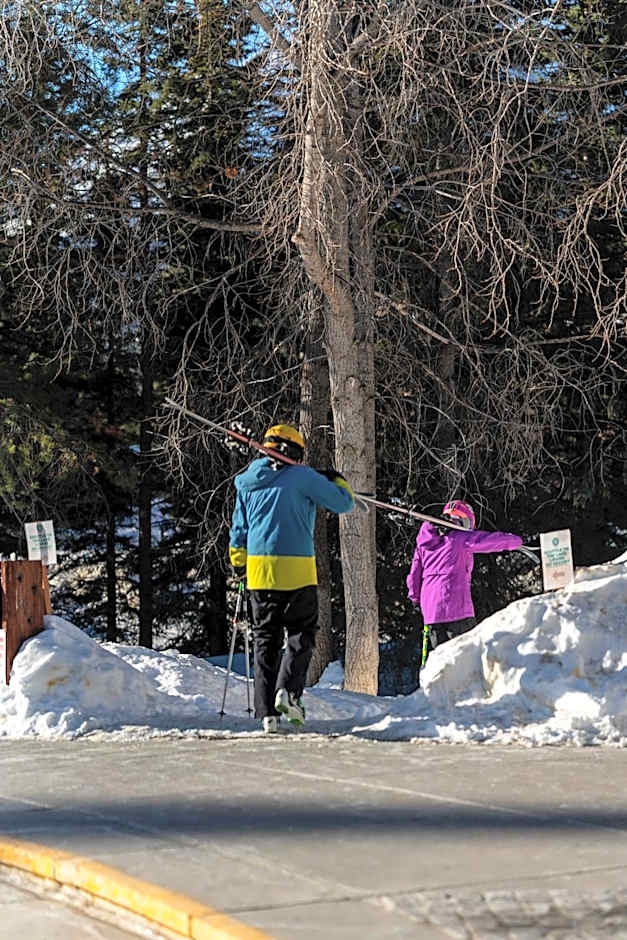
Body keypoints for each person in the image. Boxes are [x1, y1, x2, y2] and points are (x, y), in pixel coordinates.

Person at [228, 424, 354, 733]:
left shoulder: (247, 482)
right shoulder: (302, 477)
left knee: (265, 643)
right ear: (293, 451)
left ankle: (267, 713)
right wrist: (334, 478)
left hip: (260, 574)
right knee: (301, 635)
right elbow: (343, 502)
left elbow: (238, 531)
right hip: (297, 571)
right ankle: (289, 690)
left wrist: (239, 563)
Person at [406, 499, 523, 658]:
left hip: (431, 613)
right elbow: (488, 541)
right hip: (457, 610)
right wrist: (515, 541)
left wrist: (415, 598)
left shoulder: (424, 544)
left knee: (440, 662)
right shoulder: (460, 539)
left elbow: (414, 575)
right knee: (466, 662)